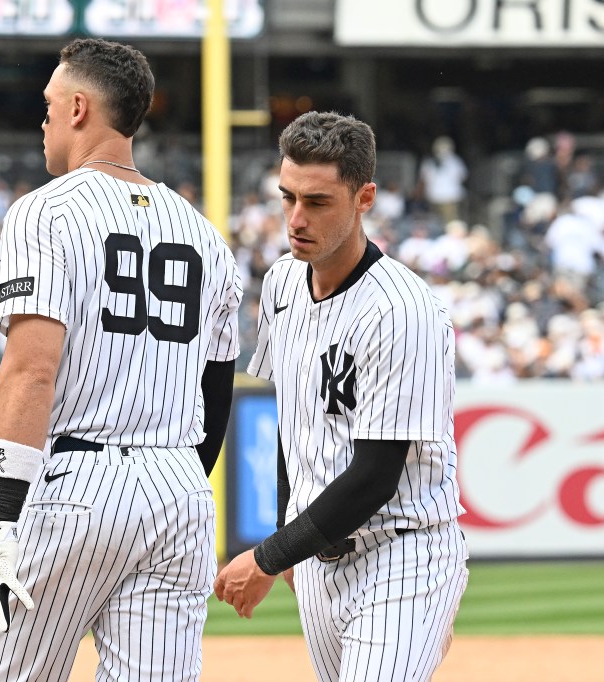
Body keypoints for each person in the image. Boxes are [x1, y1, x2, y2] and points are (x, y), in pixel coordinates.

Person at [0, 38, 242, 682]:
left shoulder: (45, 210)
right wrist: (176, 478)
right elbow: (217, 390)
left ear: (80, 109)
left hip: (78, 483)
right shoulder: (204, 233)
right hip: (179, 492)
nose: (44, 121)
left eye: (50, 105)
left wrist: (1, 521)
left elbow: (33, 369)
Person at [214, 111, 467, 682]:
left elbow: (377, 474)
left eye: (318, 202)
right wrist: (291, 536)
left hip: (402, 553)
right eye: (287, 198)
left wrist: (270, 553)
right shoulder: (281, 281)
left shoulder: (403, 310)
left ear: (364, 197)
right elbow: (292, 423)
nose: (296, 218)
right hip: (322, 559)